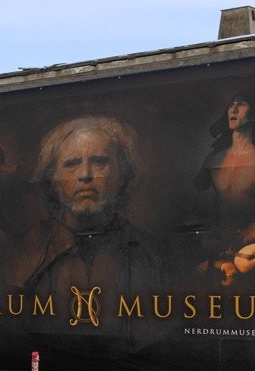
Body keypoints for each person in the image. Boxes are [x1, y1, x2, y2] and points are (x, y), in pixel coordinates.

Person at [14, 116, 165, 308]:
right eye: (72, 164)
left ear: (121, 173)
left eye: (99, 161)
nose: (85, 174)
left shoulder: (149, 253)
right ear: (53, 177)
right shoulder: (25, 249)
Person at [195, 89, 255, 232]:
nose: (233, 109)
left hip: (254, 239)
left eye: (241, 104)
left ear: (254, 113)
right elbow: (198, 186)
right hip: (221, 235)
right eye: (231, 105)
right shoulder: (215, 158)